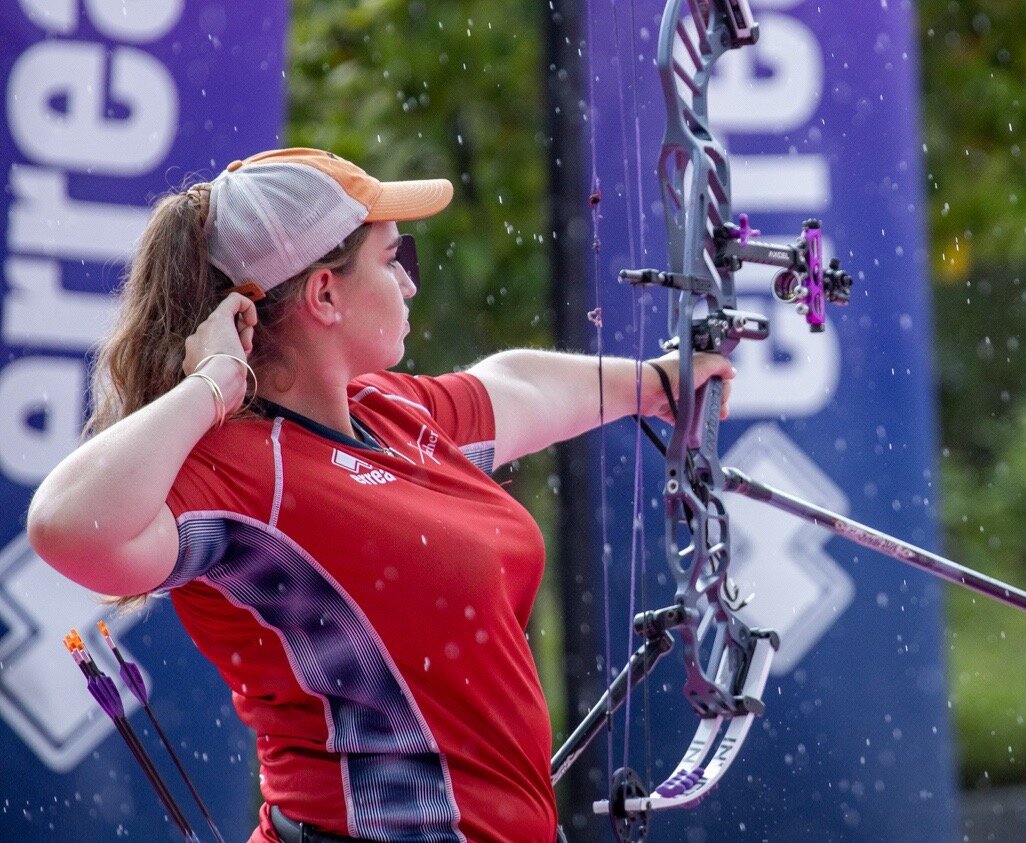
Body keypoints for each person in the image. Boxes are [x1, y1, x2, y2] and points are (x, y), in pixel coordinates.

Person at [26, 148, 731, 843]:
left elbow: (515, 388)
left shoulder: (386, 410)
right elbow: (66, 526)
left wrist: (660, 383)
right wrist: (209, 384)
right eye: (396, 259)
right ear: (325, 294)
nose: (410, 283)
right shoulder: (239, 469)